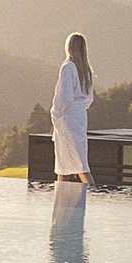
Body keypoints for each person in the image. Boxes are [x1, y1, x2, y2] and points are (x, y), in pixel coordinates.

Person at [51, 32, 94, 184]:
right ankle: (62, 201)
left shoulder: (68, 67)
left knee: (77, 163)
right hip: (79, 115)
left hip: (67, 117)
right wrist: (80, 108)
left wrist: (56, 114)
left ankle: (94, 196)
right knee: (68, 161)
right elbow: (89, 98)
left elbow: (64, 96)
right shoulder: (85, 69)